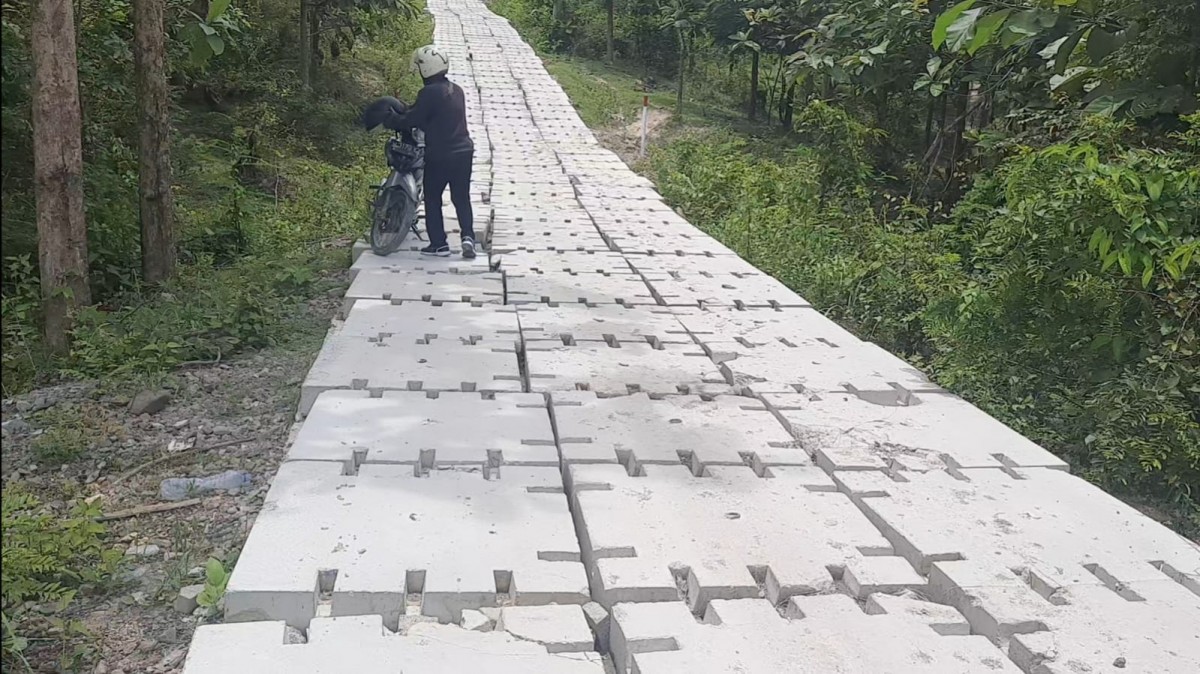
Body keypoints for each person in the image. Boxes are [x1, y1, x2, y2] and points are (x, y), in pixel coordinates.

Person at [362, 45, 477, 258]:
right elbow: (432, 114)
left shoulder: (428, 92)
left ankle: (439, 244)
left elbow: (413, 119)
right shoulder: (456, 90)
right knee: (461, 197)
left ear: (425, 69)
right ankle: (468, 237)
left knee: (432, 198)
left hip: (440, 154)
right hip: (464, 151)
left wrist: (390, 119)